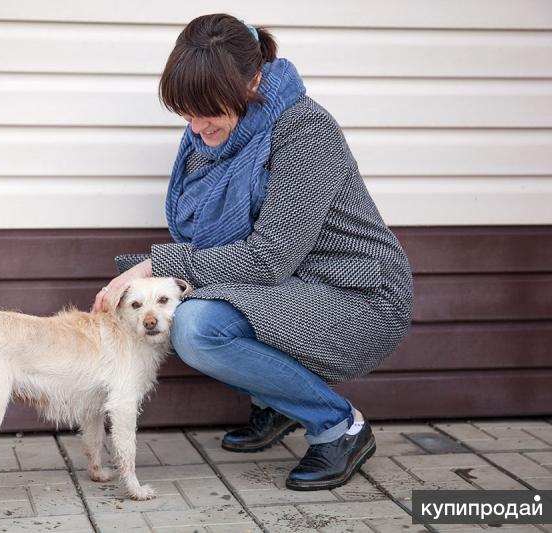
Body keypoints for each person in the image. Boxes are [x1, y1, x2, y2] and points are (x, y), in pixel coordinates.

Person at [92, 13, 413, 491]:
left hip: (360, 295)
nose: (196, 128)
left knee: (198, 325)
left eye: (207, 113)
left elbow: (268, 258)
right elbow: (209, 239)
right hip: (292, 287)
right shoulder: (217, 132)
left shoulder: (306, 131)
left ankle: (340, 426)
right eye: (187, 114)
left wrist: (154, 264)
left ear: (253, 81)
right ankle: (277, 401)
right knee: (181, 310)